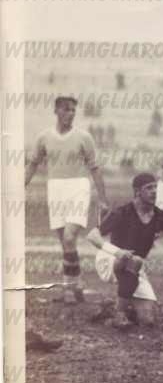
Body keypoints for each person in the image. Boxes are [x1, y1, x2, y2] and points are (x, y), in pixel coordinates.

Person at [25, 96, 110, 304]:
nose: (70, 113)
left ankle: (70, 288)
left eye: (73, 110)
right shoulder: (44, 137)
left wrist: (103, 199)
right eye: (66, 109)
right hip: (55, 189)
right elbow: (33, 164)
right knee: (65, 244)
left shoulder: (84, 137)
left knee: (70, 238)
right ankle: (75, 284)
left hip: (78, 187)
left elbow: (95, 168)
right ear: (56, 111)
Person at [87, 173, 163, 329]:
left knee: (149, 320)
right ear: (137, 192)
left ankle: (111, 307)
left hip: (134, 266)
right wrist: (117, 252)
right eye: (149, 188)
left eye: (155, 187)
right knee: (135, 261)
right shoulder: (123, 212)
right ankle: (119, 314)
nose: (154, 191)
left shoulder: (160, 216)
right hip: (110, 259)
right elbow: (92, 236)